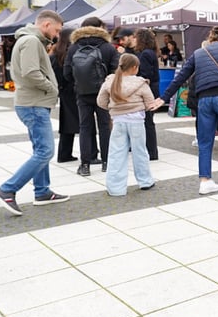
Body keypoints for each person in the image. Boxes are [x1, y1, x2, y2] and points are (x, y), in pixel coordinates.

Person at [149, 26, 218, 195]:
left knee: (204, 141)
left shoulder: (199, 53)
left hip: (204, 100)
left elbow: (181, 77)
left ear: (209, 41)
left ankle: (205, 181)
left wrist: (163, 98)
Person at [0, 10, 69, 215]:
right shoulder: (32, 42)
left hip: (33, 103)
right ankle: (7, 190)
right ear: (46, 25)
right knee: (45, 151)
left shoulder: (30, 41)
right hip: (33, 104)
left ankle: (42, 192)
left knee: (40, 151)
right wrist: (52, 88)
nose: (57, 35)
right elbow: (30, 72)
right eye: (56, 30)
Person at [64, 16, 119, 177]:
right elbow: (116, 70)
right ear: (100, 28)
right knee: (104, 127)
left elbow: (67, 73)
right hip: (104, 93)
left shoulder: (73, 47)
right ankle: (106, 162)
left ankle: (85, 165)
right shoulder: (107, 47)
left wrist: (78, 83)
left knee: (85, 128)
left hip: (82, 93)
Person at [98, 53, 156, 196]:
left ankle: (115, 188)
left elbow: (100, 102)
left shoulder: (110, 82)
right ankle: (145, 181)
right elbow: (150, 103)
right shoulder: (141, 83)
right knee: (140, 152)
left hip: (118, 121)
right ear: (135, 67)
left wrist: (114, 108)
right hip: (136, 121)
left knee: (116, 153)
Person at [49, 27, 79, 162]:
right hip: (74, 90)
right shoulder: (73, 53)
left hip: (63, 91)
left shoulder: (54, 54)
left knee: (67, 123)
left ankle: (64, 153)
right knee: (83, 123)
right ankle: (89, 152)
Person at [133, 28, 160, 160]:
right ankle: (151, 151)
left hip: (148, 91)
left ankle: (151, 151)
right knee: (148, 121)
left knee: (147, 121)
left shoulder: (145, 54)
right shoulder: (151, 52)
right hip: (153, 89)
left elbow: (146, 75)